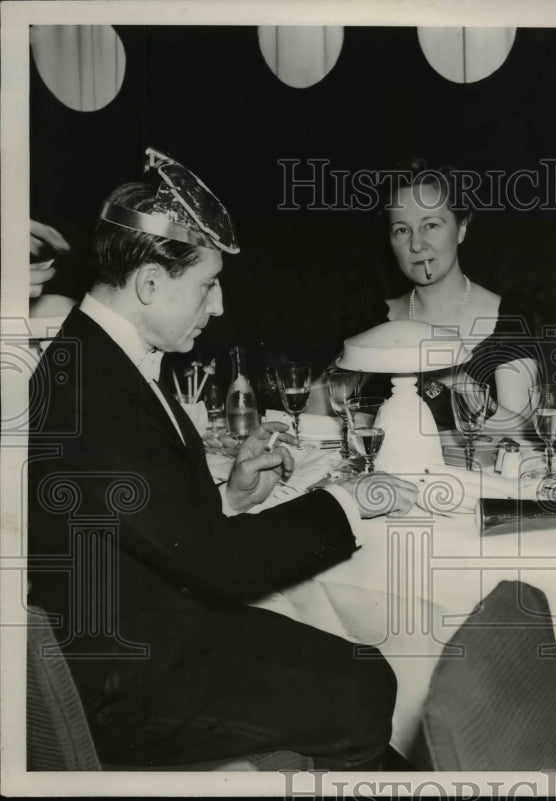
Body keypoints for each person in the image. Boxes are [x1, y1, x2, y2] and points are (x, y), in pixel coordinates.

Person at [28, 149, 418, 770]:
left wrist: (229, 497)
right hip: (126, 684)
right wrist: (352, 500)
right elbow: (222, 567)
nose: (218, 307)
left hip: (158, 635)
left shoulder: (98, 357)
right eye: (207, 285)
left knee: (362, 669)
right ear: (150, 283)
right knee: (364, 688)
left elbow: (146, 520)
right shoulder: (89, 390)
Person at [315, 160, 543, 430]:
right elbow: (315, 411)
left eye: (431, 225)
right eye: (402, 230)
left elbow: (522, 439)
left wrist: (457, 378)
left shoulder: (508, 319)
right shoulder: (375, 317)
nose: (416, 244)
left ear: (461, 228)